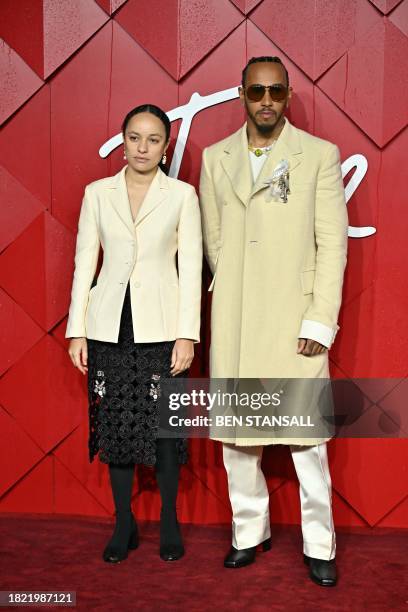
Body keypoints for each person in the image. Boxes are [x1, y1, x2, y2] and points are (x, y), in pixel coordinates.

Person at [199, 56, 348, 586]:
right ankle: (248, 532)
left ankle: (319, 542)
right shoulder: (215, 157)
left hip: (295, 320)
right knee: (240, 441)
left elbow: (332, 245)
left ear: (288, 95)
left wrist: (318, 320)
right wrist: (239, 287)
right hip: (237, 318)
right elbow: (214, 239)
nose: (266, 100)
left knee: (307, 443)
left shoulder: (318, 155)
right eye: (257, 90)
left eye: (276, 92)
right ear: (242, 93)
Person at [66, 104, 202, 563]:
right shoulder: (97, 193)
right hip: (109, 327)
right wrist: (76, 330)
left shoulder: (182, 195)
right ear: (123, 141)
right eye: (134, 138)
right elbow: (85, 263)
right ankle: (123, 521)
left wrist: (188, 335)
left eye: (153, 139)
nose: (142, 147)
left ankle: (168, 519)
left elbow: (190, 268)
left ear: (166, 147)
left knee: (164, 427)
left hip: (162, 327)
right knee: (117, 424)